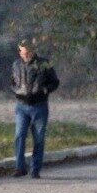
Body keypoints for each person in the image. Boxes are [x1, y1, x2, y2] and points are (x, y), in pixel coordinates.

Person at [10, 38, 60, 178]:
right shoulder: (16, 65)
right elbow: (12, 82)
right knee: (19, 135)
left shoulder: (44, 63)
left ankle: (35, 169)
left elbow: (55, 82)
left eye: (27, 53)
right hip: (21, 106)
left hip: (39, 105)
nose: (24, 55)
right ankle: (20, 167)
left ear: (33, 51)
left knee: (38, 138)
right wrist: (16, 90)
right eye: (22, 53)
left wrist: (45, 90)